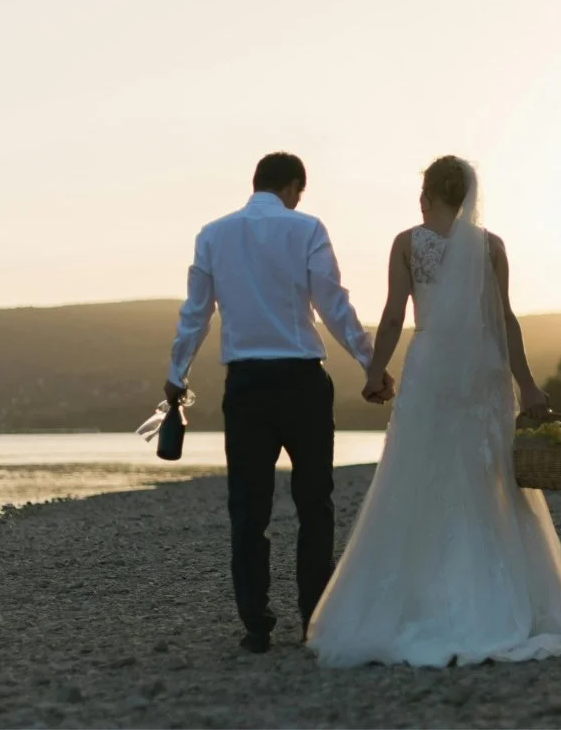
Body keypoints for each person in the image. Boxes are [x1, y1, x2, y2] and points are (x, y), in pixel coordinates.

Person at [306, 155, 561, 667]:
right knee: (488, 476)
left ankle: (419, 596)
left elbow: (393, 315)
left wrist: (375, 372)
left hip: (432, 365)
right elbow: (505, 319)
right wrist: (527, 384)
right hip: (482, 366)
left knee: (418, 472)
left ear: (427, 195)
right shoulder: (491, 247)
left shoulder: (408, 244)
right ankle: (497, 598)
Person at [163, 152, 392, 654]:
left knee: (248, 509)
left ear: (256, 184)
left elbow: (195, 315)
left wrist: (175, 376)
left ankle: (256, 624)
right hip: (302, 383)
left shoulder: (213, 234)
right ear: (294, 188)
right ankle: (314, 618)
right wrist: (371, 366)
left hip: (245, 386)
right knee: (315, 504)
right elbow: (334, 304)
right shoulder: (307, 228)